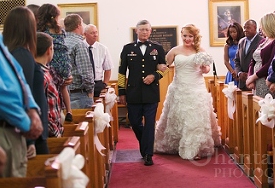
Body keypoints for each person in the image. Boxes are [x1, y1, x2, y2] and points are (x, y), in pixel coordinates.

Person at [0, 0, 43, 178]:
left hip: (14, 126)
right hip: (1, 127)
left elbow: (15, 73)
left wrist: (31, 108)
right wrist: (27, 122)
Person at [154, 24, 221, 160]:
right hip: (179, 88)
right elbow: (165, 66)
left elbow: (207, 68)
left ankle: (194, 148)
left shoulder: (200, 50)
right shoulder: (175, 50)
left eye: (190, 36)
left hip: (196, 88)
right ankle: (175, 144)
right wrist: (159, 68)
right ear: (182, 35)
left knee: (194, 119)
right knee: (179, 118)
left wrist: (204, 69)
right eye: (185, 35)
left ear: (195, 37)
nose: (187, 39)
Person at [118, 20, 167, 166]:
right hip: (133, 92)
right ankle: (145, 144)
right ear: (136, 31)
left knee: (150, 123)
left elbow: (165, 69)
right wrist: (122, 91)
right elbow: (121, 72)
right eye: (142, 30)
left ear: (150, 31)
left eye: (147, 30)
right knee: (134, 122)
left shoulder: (157, 48)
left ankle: (148, 154)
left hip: (151, 92)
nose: (145, 32)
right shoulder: (127, 48)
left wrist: (154, 76)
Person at [3, 6, 49, 155]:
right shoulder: (22, 54)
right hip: (31, 132)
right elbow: (24, 94)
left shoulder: (10, 52)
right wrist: (30, 141)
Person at [35, 4, 73, 122]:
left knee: (54, 88)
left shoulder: (40, 30)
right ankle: (69, 110)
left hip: (51, 62)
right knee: (63, 88)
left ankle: (58, 110)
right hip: (64, 63)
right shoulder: (59, 29)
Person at [35, 32, 64, 139]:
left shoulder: (46, 71)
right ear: (49, 50)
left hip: (54, 128)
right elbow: (41, 109)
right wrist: (56, 131)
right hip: (49, 133)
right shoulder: (40, 75)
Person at [63, 14, 95, 109]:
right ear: (78, 26)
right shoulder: (79, 44)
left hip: (63, 92)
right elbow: (85, 72)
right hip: (78, 94)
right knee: (84, 123)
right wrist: (90, 91)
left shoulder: (60, 41)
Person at [245, 13, 275, 97]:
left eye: (262, 25)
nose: (260, 28)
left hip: (265, 79)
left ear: (268, 25)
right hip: (256, 80)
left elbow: (270, 63)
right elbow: (253, 61)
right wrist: (250, 77)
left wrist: (253, 77)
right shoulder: (263, 41)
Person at [84, 24, 113, 99]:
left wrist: (105, 84)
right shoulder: (80, 47)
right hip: (83, 84)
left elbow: (108, 68)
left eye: (96, 32)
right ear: (85, 34)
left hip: (98, 83)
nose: (95, 35)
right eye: (92, 33)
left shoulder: (103, 49)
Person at [234, 20, 261, 90]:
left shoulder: (262, 41)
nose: (245, 30)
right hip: (242, 82)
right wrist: (239, 73)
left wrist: (250, 75)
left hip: (255, 82)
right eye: (244, 28)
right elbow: (236, 60)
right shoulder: (241, 41)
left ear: (255, 28)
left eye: (248, 28)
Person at [223, 22, 244, 87]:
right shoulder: (227, 46)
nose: (232, 34)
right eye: (230, 32)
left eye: (234, 32)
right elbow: (226, 61)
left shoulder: (244, 43)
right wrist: (233, 72)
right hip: (232, 71)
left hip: (242, 71)